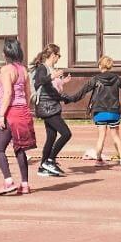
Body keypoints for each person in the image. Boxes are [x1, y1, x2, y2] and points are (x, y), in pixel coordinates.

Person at [64, 56, 121, 166]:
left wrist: (69, 99)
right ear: (110, 66)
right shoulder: (116, 78)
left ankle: (98, 160)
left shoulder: (95, 79)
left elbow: (81, 93)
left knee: (101, 136)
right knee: (116, 136)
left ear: (99, 66)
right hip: (114, 111)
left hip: (99, 111)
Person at [0, 39, 37, 195]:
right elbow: (28, 93)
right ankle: (25, 184)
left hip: (11, 111)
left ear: (5, 53)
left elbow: (8, 93)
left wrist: (1, 115)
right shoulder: (24, 70)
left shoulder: (6, 70)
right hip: (23, 110)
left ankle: (8, 181)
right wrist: (27, 110)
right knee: (19, 148)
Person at [31, 43, 72, 177]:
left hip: (50, 106)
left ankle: (43, 166)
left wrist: (62, 98)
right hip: (46, 108)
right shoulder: (43, 68)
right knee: (66, 133)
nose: (58, 58)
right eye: (58, 56)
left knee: (51, 136)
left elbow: (49, 90)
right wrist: (53, 76)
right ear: (53, 55)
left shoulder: (48, 68)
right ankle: (50, 160)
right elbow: (39, 81)